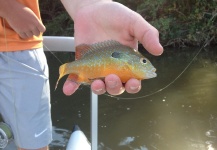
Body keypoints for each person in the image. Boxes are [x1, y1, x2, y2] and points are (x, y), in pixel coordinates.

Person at [0, 0, 163, 149]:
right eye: (143, 62)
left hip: (18, 44)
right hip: (18, 40)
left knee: (33, 143)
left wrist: (88, 5)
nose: (146, 65)